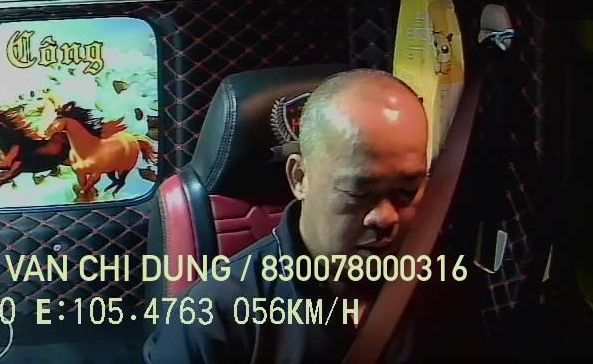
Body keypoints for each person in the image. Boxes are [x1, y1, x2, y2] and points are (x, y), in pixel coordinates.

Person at [143, 69, 431, 364]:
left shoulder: (440, 290)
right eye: (358, 192)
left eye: (406, 191)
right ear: (300, 178)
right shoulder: (212, 318)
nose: (385, 218)